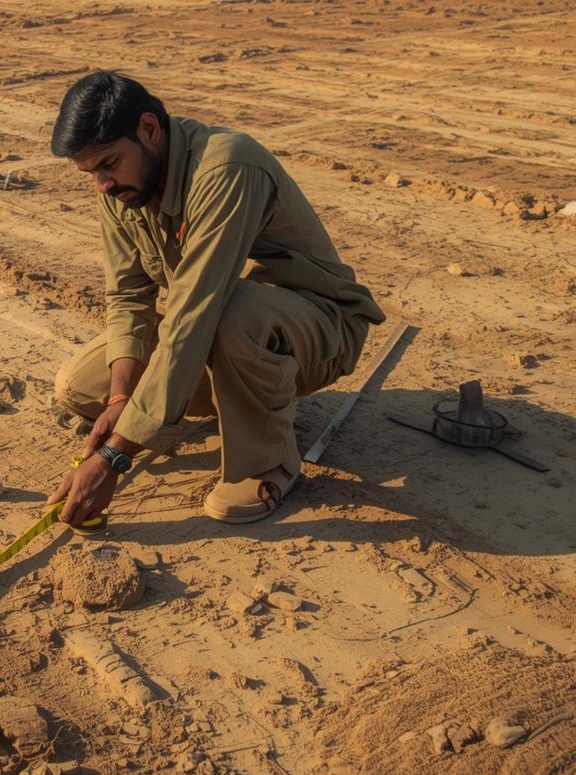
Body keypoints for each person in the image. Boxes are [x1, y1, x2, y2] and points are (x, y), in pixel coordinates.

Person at [45, 71, 386, 526]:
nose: (101, 185)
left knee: (232, 314)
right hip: (214, 320)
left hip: (316, 329)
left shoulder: (227, 168)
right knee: (80, 385)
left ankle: (267, 462)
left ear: (149, 129)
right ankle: (187, 401)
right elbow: (128, 296)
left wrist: (113, 459)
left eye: (108, 163)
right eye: (90, 173)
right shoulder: (121, 188)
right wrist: (121, 399)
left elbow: (192, 316)